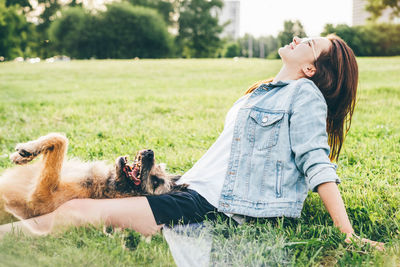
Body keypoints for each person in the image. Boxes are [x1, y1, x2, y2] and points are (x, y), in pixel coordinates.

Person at [0, 34, 384, 250]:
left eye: (311, 44)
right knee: (83, 198)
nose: (299, 37)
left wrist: (348, 233)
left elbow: (316, 163)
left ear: (311, 68)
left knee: (75, 213)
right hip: (195, 190)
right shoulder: (262, 92)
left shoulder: (305, 97)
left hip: (215, 205)